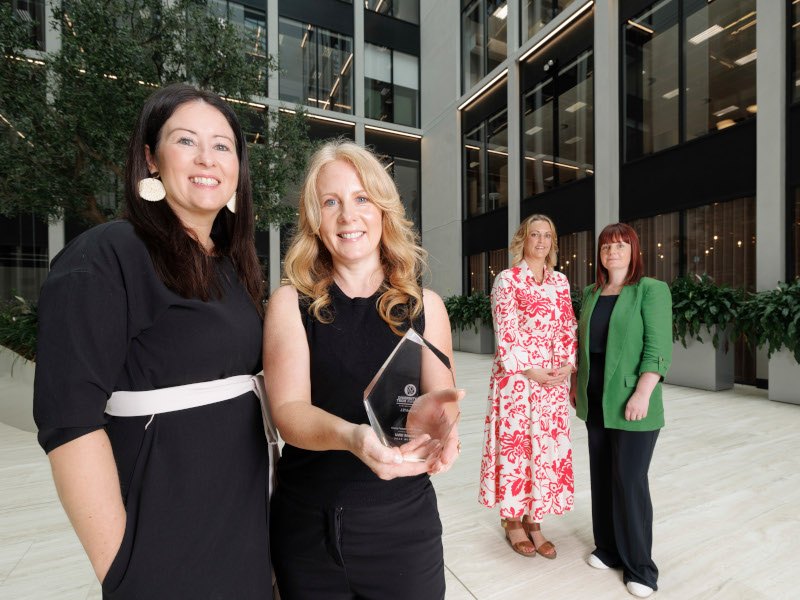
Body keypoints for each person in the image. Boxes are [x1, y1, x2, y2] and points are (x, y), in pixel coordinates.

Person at [33, 84, 274, 599]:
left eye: (223, 145)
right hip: (166, 541)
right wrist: (122, 566)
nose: (207, 158)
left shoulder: (234, 264)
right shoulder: (106, 254)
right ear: (151, 159)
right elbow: (67, 421)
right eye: (186, 141)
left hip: (245, 528)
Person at [263, 140, 462, 600]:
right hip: (308, 526)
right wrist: (354, 437)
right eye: (330, 202)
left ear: (383, 210)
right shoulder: (290, 303)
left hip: (402, 525)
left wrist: (442, 431)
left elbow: (441, 401)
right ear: (314, 218)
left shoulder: (425, 307)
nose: (347, 216)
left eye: (361, 199)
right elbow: (288, 412)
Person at [570, 223, 672, 598]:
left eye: (620, 245)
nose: (612, 251)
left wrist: (643, 393)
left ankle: (641, 568)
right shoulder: (594, 293)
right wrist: (574, 385)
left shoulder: (650, 290)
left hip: (633, 400)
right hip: (594, 399)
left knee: (629, 481)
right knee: (602, 476)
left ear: (633, 251)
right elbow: (585, 349)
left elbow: (657, 348)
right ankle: (610, 548)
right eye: (606, 246)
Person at [478, 214, 577, 559]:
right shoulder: (507, 280)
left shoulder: (560, 282)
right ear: (523, 239)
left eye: (547, 236)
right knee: (517, 449)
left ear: (552, 242)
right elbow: (505, 332)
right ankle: (512, 520)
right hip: (517, 381)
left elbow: (568, 325)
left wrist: (567, 364)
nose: (541, 241)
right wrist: (530, 370)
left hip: (553, 381)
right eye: (534, 235)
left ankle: (536, 520)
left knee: (545, 449)